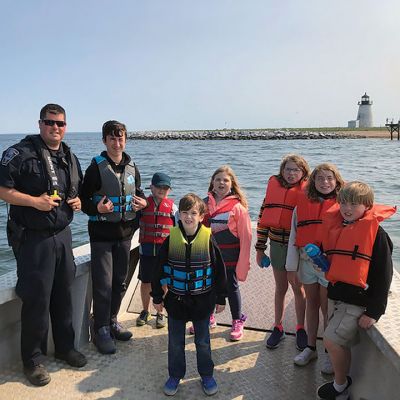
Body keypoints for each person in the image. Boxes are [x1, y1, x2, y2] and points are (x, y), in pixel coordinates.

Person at [0, 104, 86, 386]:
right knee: (37, 300)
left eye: (60, 123)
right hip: (33, 239)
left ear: (65, 126)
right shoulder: (19, 154)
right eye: (50, 122)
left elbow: (79, 192)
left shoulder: (70, 157)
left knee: (63, 294)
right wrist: (34, 201)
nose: (55, 128)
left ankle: (65, 348)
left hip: (63, 236)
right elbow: (2, 190)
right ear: (40, 124)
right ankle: (33, 360)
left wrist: (79, 202)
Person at [316, 181, 395, 400]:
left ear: (367, 206)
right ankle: (345, 377)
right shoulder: (340, 226)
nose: (346, 209)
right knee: (338, 341)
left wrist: (374, 312)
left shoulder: (377, 235)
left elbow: (384, 275)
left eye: (353, 204)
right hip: (337, 294)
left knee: (331, 340)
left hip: (357, 300)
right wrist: (322, 263)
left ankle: (340, 386)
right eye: (343, 203)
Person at [80, 120, 147, 354]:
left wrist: (144, 201)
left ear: (125, 140)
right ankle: (100, 329)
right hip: (101, 236)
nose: (117, 143)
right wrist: (96, 209)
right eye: (112, 138)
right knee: (103, 284)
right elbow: (83, 200)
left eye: (121, 138)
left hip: (126, 234)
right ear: (104, 141)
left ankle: (112, 321)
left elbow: (138, 192)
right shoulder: (95, 168)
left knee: (120, 281)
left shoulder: (132, 167)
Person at [151, 193, 227, 396]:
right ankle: (175, 375)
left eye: (193, 213)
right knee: (175, 342)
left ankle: (207, 374)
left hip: (202, 301)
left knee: (202, 341)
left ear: (202, 216)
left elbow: (219, 269)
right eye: (184, 213)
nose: (188, 217)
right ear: (179, 214)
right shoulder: (171, 238)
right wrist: (157, 297)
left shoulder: (209, 238)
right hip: (175, 302)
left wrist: (221, 297)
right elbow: (158, 268)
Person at [286, 163, 344, 373]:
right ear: (313, 182)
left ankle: (329, 352)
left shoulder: (343, 205)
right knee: (312, 304)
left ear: (337, 180)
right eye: (320, 178)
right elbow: (294, 235)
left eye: (329, 178)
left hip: (330, 265)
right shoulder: (301, 206)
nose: (325, 182)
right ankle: (311, 348)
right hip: (307, 262)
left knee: (328, 308)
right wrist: (291, 266)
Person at [255, 154, 310, 350]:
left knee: (298, 288)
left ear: (304, 173)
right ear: (282, 171)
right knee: (280, 288)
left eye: (296, 169)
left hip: (298, 248)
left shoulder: (308, 193)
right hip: (277, 245)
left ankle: (301, 328)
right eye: (288, 169)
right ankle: (277, 326)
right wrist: (260, 249)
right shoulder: (272, 192)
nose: (291, 173)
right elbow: (262, 222)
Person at [193, 165, 252, 341]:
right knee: (207, 288)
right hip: (207, 257)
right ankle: (208, 318)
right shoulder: (202, 204)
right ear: (212, 182)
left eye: (225, 180)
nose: (221, 182)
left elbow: (246, 237)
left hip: (230, 257)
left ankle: (237, 320)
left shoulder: (238, 208)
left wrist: (243, 263)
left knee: (231, 288)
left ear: (232, 184)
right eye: (218, 179)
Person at [136, 172, 178, 328]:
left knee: (163, 282)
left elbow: (179, 227)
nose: (162, 190)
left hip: (164, 253)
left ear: (169, 190)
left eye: (165, 188)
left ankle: (161, 313)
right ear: (151, 187)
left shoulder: (173, 208)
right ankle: (145, 311)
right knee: (145, 281)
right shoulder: (143, 204)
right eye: (158, 187)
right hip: (146, 251)